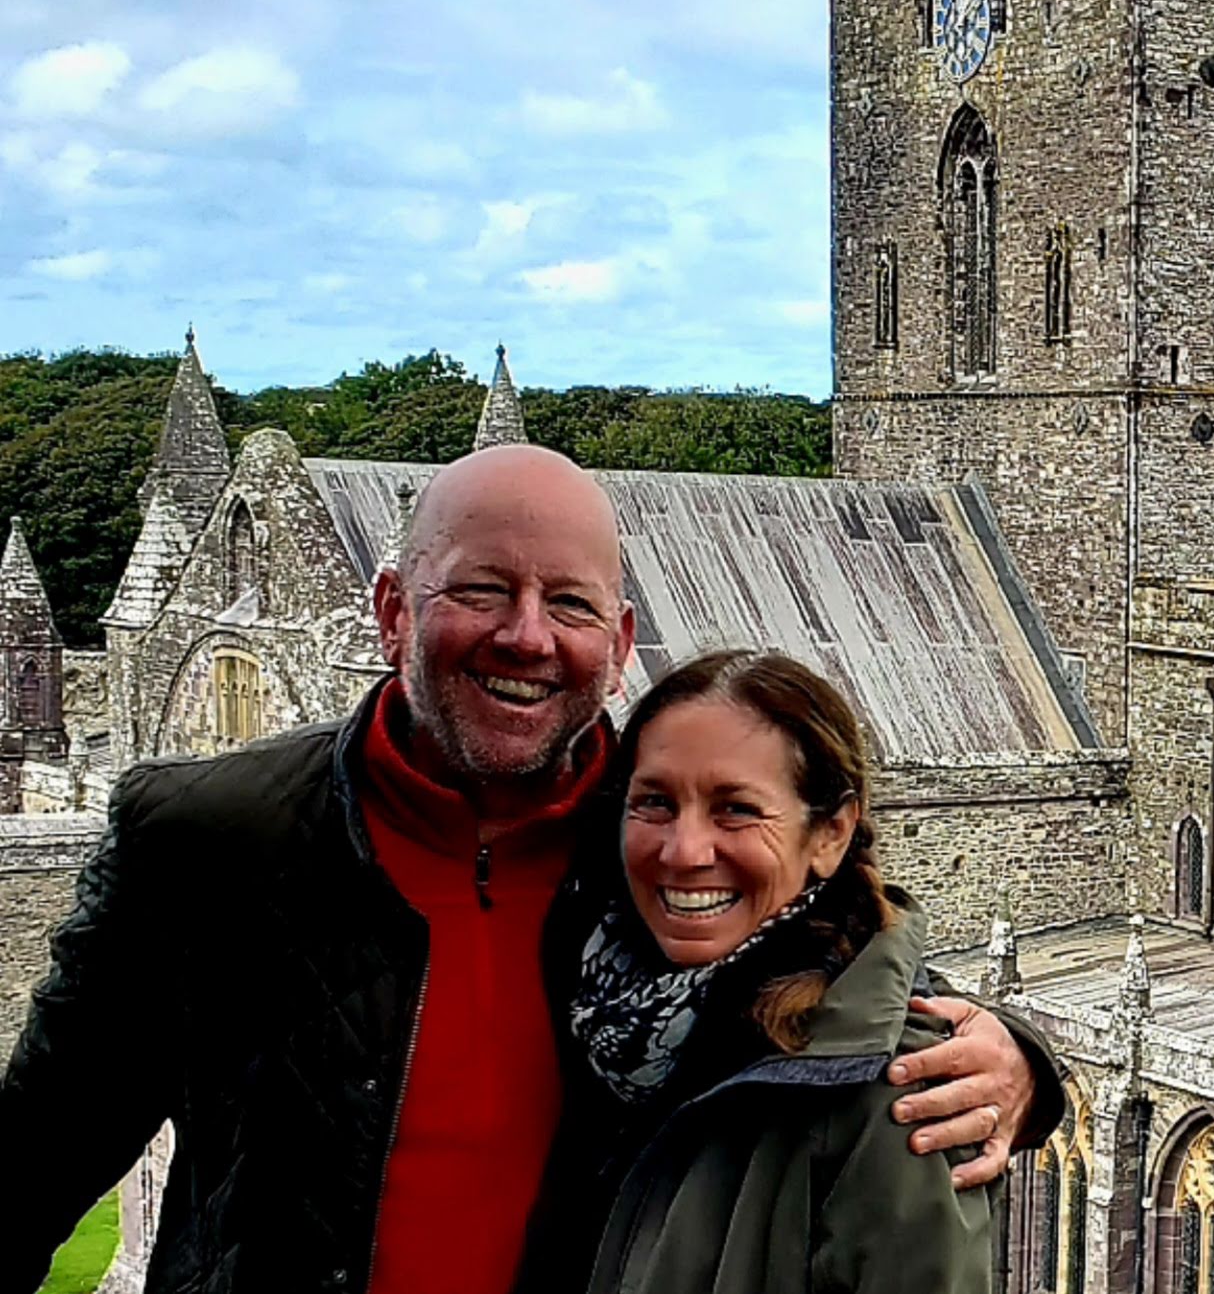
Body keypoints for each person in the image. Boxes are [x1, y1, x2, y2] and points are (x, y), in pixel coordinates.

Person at [0, 445, 1056, 1294]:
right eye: (482, 588)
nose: (526, 635)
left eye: (572, 604)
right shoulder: (204, 833)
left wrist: (1019, 1061)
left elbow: (841, 981)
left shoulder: (658, 843)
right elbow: (32, 1158)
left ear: (620, 638)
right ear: (392, 610)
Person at [518, 649, 995, 1292]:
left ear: (830, 833)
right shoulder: (595, 1012)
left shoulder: (895, 1093)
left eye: (735, 809)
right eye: (654, 802)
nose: (684, 852)